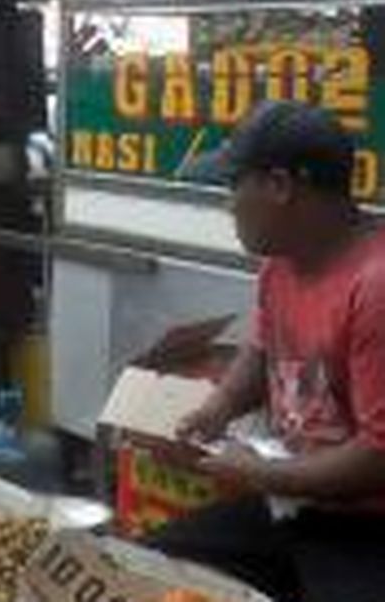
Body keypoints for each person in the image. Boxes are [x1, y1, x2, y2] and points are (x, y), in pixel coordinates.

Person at [149, 100, 385, 602]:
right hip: (294, 502)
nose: (227, 204)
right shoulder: (280, 264)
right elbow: (261, 351)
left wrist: (255, 473)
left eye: (234, 186)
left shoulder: (375, 287)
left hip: (367, 528)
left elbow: (378, 456)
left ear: (279, 187)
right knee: (149, 563)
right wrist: (217, 408)